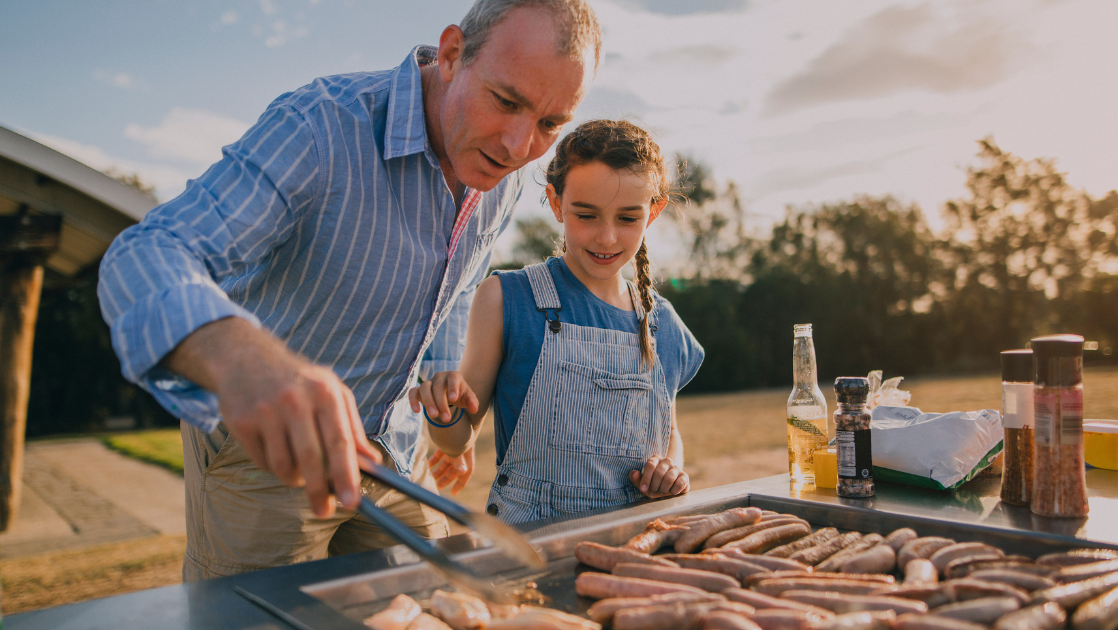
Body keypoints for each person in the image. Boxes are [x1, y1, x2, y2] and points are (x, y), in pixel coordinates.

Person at [96, 0, 601, 580]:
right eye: (506, 101)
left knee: (443, 601)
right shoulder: (319, 126)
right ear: (453, 54)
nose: (517, 146)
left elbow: (457, 284)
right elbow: (146, 254)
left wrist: (439, 385)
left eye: (548, 124)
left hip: (394, 450)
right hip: (266, 456)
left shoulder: (499, 175)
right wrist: (243, 362)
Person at [409, 120, 704, 523]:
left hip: (636, 543)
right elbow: (458, 440)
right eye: (587, 215)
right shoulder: (505, 299)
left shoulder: (662, 323)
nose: (606, 237)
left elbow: (668, 432)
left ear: (653, 211)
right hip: (532, 545)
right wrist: (443, 411)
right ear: (555, 202)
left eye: (628, 219)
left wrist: (671, 468)